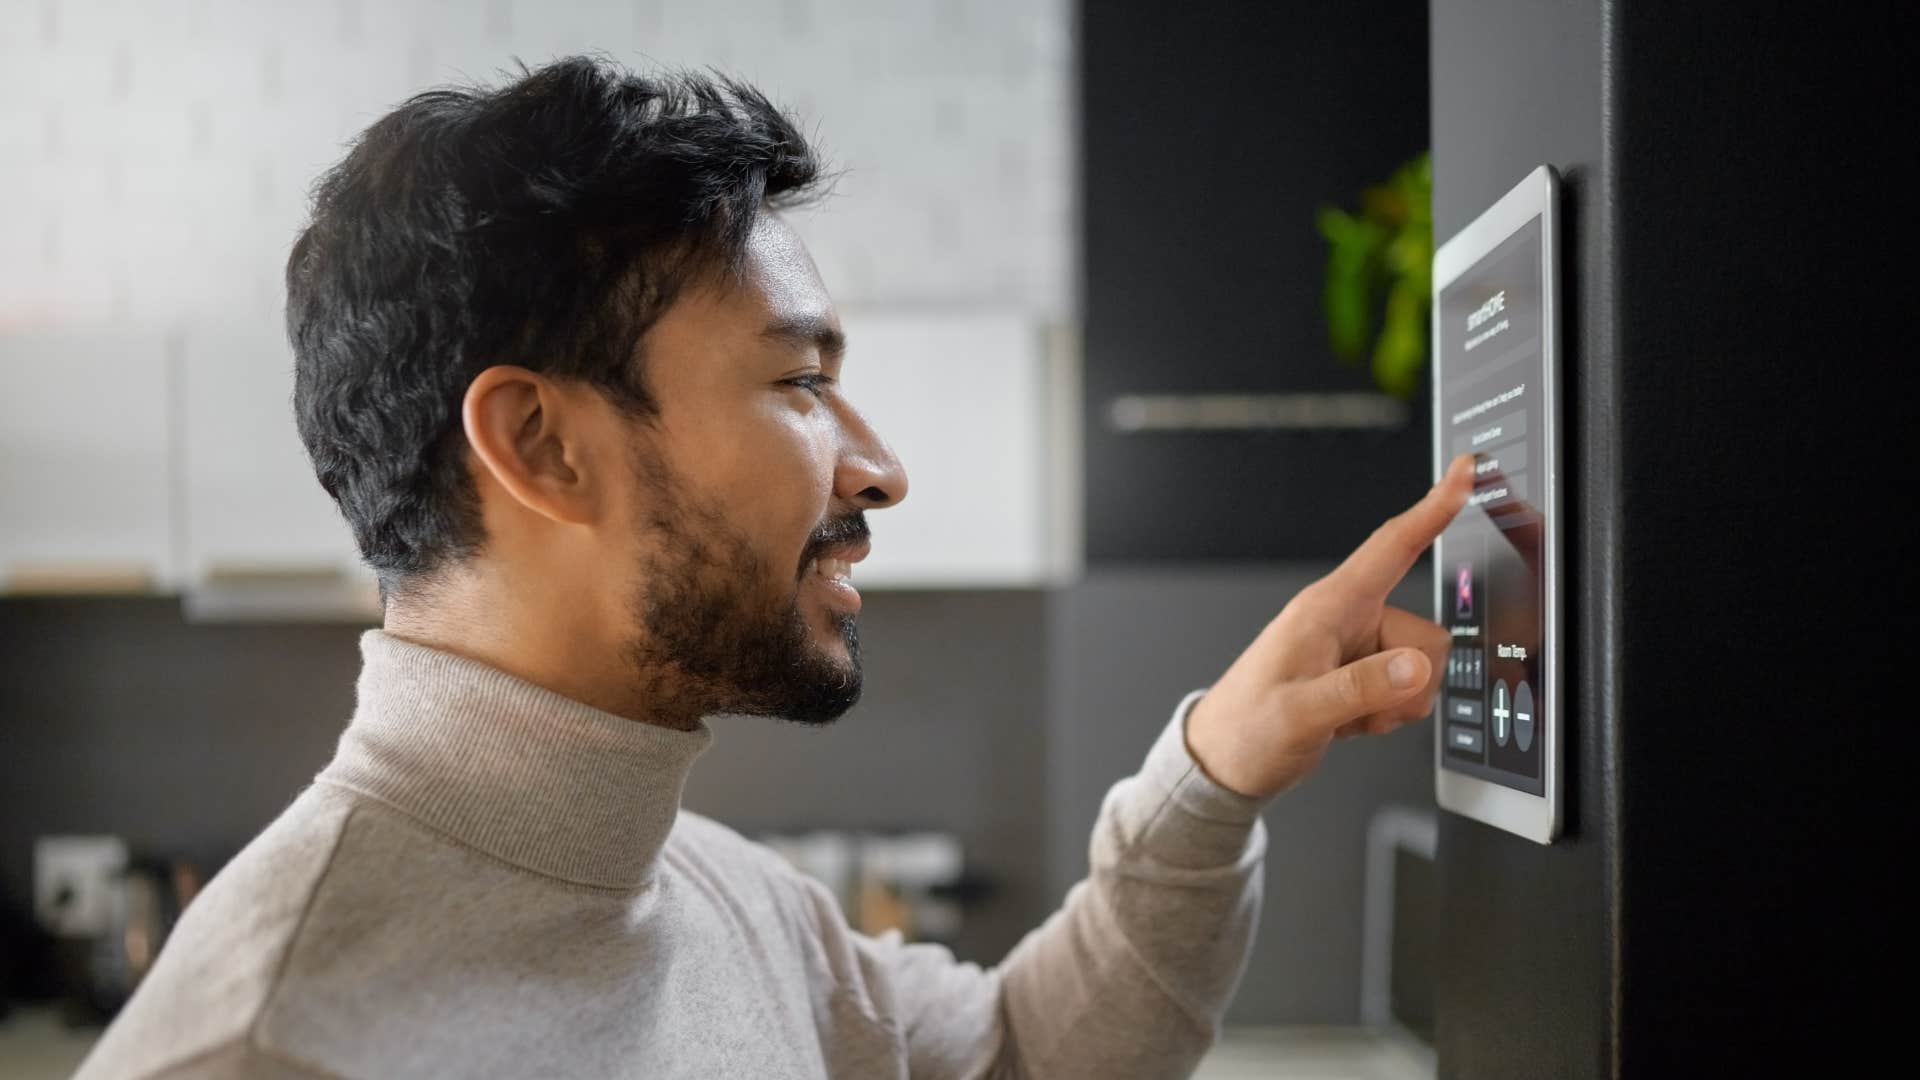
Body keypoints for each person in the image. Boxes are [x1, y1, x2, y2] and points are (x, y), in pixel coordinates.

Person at [74, 56, 1470, 1080]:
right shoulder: (261, 1049)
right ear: (543, 446)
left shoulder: (728, 895)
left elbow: (1024, 1059)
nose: (879, 469)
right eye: (801, 382)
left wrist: (1210, 773)